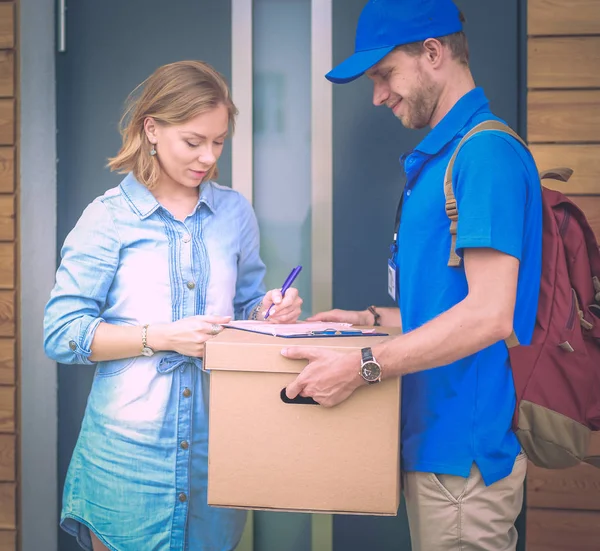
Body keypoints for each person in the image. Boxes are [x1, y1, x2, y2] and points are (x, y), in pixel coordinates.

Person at [282, 1, 541, 550]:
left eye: (384, 75)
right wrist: (372, 320)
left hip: (462, 464)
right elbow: (454, 305)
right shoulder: (441, 159)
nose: (377, 95)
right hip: (434, 451)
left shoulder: (484, 154)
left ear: (433, 53)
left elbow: (490, 313)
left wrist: (362, 367)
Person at [44, 60, 303, 551]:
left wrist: (268, 310)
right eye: (193, 141)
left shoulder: (234, 212)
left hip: (219, 452)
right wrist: (159, 336)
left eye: (218, 141)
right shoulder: (107, 219)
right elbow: (61, 332)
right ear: (152, 130)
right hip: (126, 461)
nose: (208, 156)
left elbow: (246, 307)